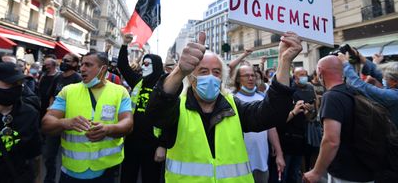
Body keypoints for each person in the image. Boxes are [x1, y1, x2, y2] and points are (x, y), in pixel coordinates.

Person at [146, 31, 302, 182]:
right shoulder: (177, 108)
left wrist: (284, 61)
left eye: (216, 72)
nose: (211, 77)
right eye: (203, 71)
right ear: (191, 77)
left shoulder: (235, 107)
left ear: (222, 78)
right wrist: (179, 71)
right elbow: (156, 113)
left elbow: (272, 114)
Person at [42, 51, 133, 183]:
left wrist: (109, 129)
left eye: (88, 65)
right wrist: (65, 123)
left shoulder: (120, 92)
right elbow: (46, 123)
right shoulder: (68, 91)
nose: (82, 68)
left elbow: (128, 123)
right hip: (71, 172)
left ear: (103, 69)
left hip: (107, 170)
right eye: (82, 64)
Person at [303, 55, 375, 183]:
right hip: (366, 169)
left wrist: (316, 172)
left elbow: (331, 140)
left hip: (345, 174)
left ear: (320, 71)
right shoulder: (354, 91)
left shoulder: (332, 97)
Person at [117, 33, 167, 183]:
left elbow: (170, 119)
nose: (143, 67)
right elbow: (123, 66)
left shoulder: (165, 86)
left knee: (150, 178)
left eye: (147, 64)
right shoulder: (138, 81)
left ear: (156, 66)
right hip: (132, 139)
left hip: (153, 144)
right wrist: (124, 44)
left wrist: (163, 145)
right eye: (143, 64)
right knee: (127, 176)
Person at [234, 64, 285, 183]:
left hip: (261, 161)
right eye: (246, 76)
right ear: (237, 79)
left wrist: (279, 153)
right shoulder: (232, 99)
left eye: (253, 75)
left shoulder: (262, 98)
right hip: (239, 164)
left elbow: (270, 127)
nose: (251, 78)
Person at [43, 53, 82, 183]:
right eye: (63, 60)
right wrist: (50, 111)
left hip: (71, 124)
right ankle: (50, 178)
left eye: (67, 61)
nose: (63, 62)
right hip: (56, 122)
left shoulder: (78, 79)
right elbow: (52, 95)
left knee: (70, 155)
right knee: (49, 155)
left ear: (75, 64)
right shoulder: (58, 77)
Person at [338, 52, 398, 127]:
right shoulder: (394, 89)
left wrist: (345, 64)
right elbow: (378, 73)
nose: (384, 78)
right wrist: (361, 57)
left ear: (394, 82)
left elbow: (360, 86)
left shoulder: (393, 96)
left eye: (386, 77)